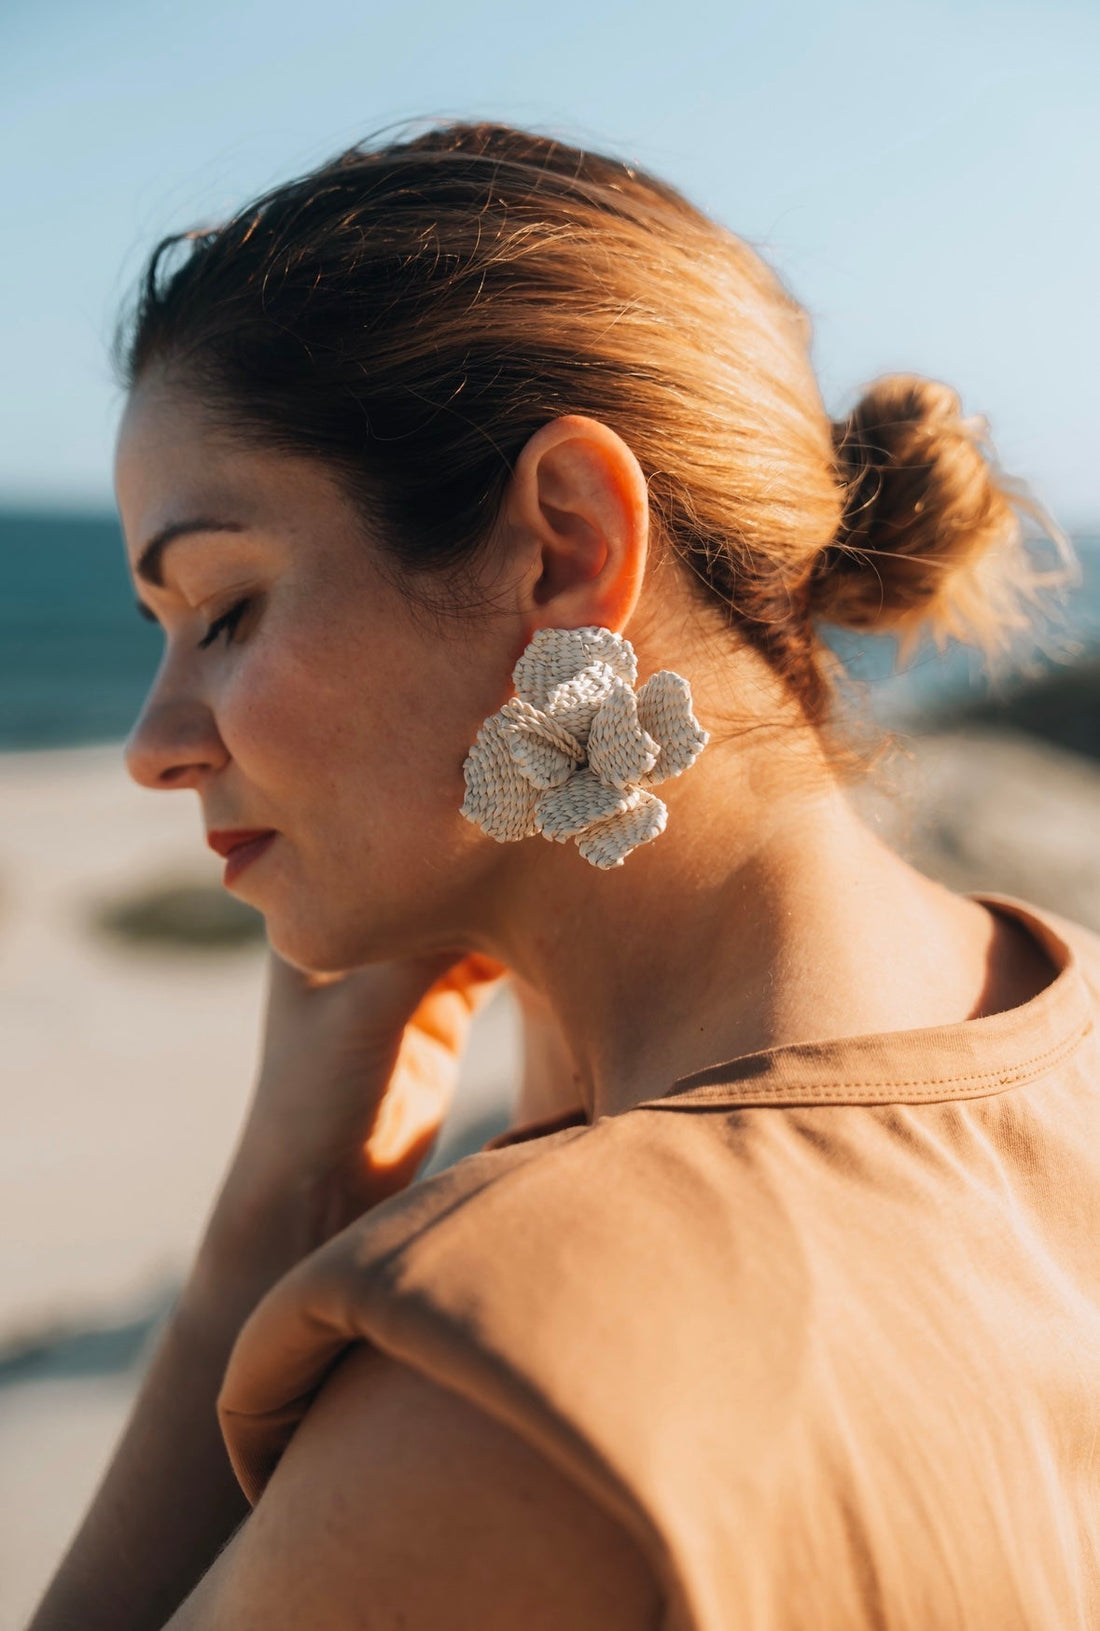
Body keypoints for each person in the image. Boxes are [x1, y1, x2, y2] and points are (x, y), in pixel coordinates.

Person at [30, 122, 1100, 1631]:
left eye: (223, 608)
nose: (154, 747)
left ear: (566, 545)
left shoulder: (505, 1379)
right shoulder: (1067, 1021)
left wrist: (268, 1235)